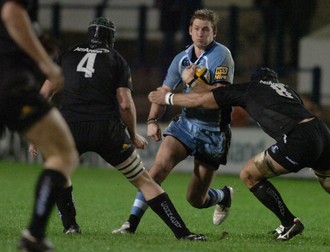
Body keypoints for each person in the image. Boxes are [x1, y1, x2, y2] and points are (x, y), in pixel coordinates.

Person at [148, 65, 330, 244]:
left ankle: (289, 222)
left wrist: (170, 95)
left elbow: (206, 98)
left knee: (249, 174)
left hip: (298, 138)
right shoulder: (287, 90)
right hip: (321, 132)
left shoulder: (250, 88)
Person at [30, 16, 205, 241]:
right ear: (111, 38)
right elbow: (124, 102)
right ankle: (183, 233)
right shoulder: (116, 59)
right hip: (107, 130)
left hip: (69, 128)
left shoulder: (68, 54)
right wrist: (132, 134)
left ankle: (70, 225)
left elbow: (44, 95)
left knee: (61, 173)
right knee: (144, 181)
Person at [112, 8, 235, 234]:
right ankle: (130, 224)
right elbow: (164, 91)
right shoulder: (181, 59)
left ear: (214, 32)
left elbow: (218, 98)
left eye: (205, 29)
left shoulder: (221, 55)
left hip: (213, 132)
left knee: (195, 199)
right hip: (185, 126)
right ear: (190, 31)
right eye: (196, 29)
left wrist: (193, 79)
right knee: (155, 171)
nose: (200, 33)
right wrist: (151, 119)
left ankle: (223, 195)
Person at [0, 0, 79, 251]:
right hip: (9, 83)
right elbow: (12, 11)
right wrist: (44, 61)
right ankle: (34, 236)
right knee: (63, 153)